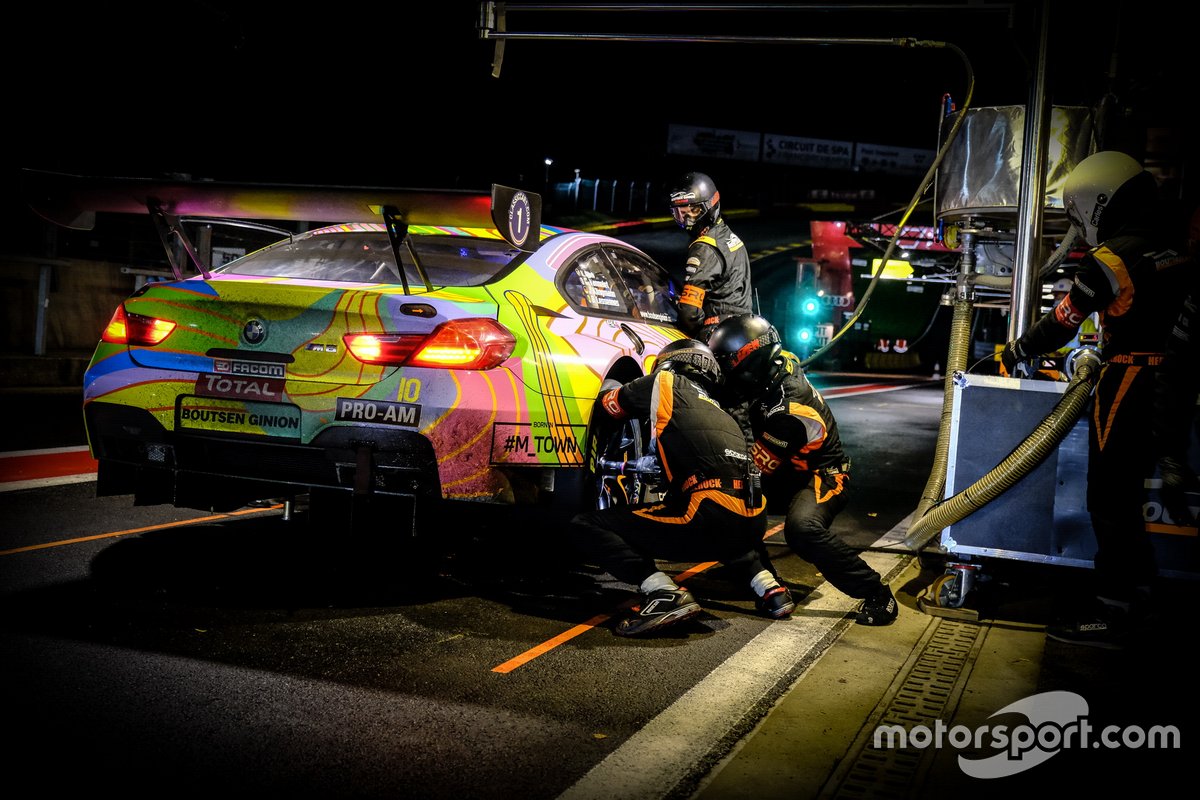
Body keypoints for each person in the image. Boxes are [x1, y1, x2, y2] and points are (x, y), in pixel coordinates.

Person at [1000, 150, 1193, 647]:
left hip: (1128, 379)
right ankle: (1145, 597)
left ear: (1097, 202)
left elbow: (1062, 320)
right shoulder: (1178, 241)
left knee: (1110, 498)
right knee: (1136, 496)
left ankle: (1116, 608)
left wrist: (1019, 347)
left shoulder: (1111, 257)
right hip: (1177, 380)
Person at [569, 338, 796, 636]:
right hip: (753, 521)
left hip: (708, 512)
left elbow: (607, 406)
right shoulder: (722, 411)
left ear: (670, 362)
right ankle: (770, 588)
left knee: (585, 525)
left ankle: (662, 592)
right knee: (727, 531)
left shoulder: (664, 382)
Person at [707, 314, 898, 626]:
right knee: (731, 500)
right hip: (791, 469)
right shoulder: (778, 361)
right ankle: (764, 577)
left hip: (823, 476)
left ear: (751, 361)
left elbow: (755, 468)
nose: (725, 369)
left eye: (728, 361)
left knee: (799, 529)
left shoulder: (789, 410)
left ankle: (876, 593)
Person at [668, 172, 754, 341]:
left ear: (710, 207)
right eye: (680, 214)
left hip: (719, 336)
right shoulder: (729, 237)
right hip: (744, 330)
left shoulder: (704, 247)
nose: (686, 221)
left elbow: (689, 313)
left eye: (692, 212)